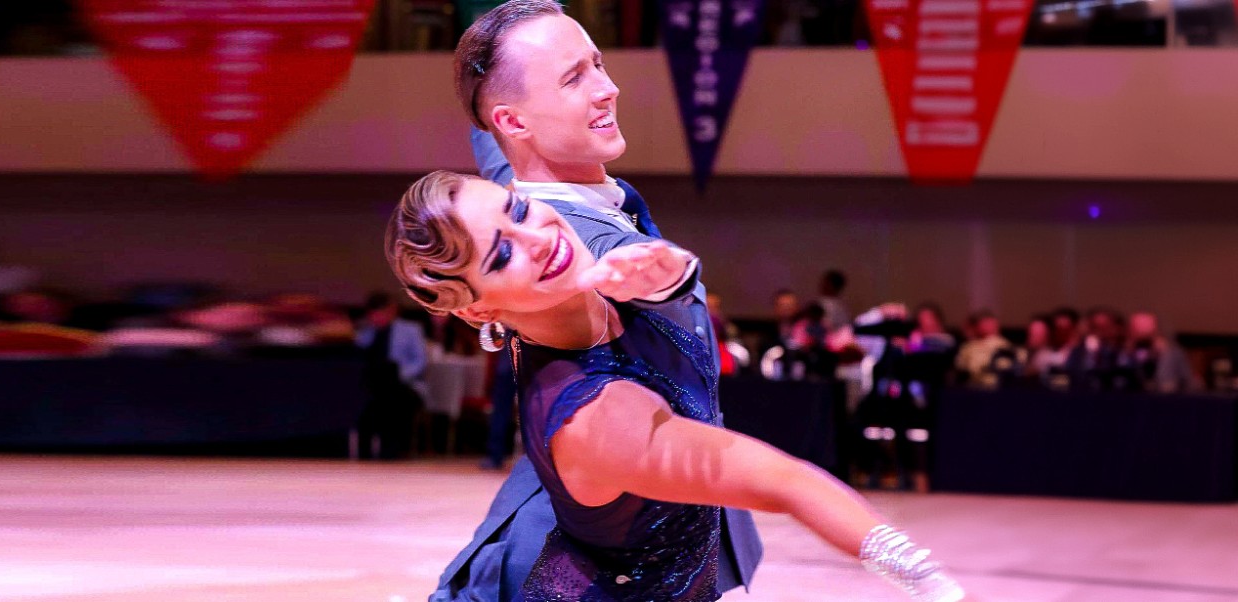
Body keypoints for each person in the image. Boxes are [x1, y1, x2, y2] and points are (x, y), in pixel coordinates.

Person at [389, 171, 967, 602]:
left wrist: (672, 273)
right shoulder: (596, 417)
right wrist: (931, 580)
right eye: (502, 253)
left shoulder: (588, 272)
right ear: (478, 310)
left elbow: (533, 141)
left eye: (517, 207)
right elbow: (783, 482)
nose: (536, 234)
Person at [439, 1, 761, 599]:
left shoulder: (521, 185)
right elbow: (643, 278)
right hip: (587, 567)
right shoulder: (569, 246)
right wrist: (666, 275)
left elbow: (492, 140)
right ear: (513, 121)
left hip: (633, 525)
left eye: (598, 64)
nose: (608, 89)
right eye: (573, 78)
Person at [355, 292, 428, 459]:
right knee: (365, 400)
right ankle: (363, 452)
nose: (378, 317)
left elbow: (420, 361)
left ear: (392, 311)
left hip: (404, 384)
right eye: (374, 314)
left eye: (382, 313)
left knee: (395, 399)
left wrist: (398, 376)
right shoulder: (365, 332)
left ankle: (393, 450)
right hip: (373, 386)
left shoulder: (410, 330)